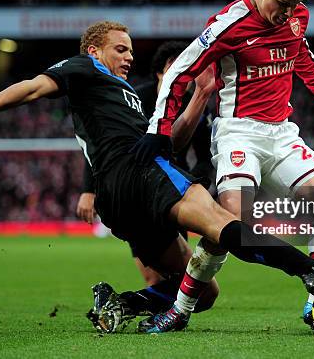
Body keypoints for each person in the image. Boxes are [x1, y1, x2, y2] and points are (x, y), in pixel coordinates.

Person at [0, 20, 314, 334]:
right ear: (95, 50)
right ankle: (311, 272)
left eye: (130, 50)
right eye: (120, 49)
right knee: (224, 225)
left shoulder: (132, 98)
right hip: (139, 174)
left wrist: (199, 97)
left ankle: (121, 304)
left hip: (119, 201)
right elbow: (31, 86)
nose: (129, 56)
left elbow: (171, 141)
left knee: (203, 293)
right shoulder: (84, 70)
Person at [130, 0, 314, 332]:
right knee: (229, 225)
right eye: (281, 5)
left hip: (282, 132)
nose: (288, 14)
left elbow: (298, 49)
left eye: (295, 6)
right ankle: (180, 309)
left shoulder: (296, 16)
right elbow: (179, 73)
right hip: (239, 133)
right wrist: (159, 128)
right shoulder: (227, 25)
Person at [76, 41, 213, 288]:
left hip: (172, 191)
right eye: (176, 66)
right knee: (153, 277)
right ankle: (134, 305)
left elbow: (205, 157)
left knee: (183, 278)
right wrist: (89, 189)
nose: (184, 71)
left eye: (189, 66)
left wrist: (194, 187)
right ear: (160, 71)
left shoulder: (195, 106)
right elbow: (103, 145)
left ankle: (143, 309)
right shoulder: (134, 97)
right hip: (135, 191)